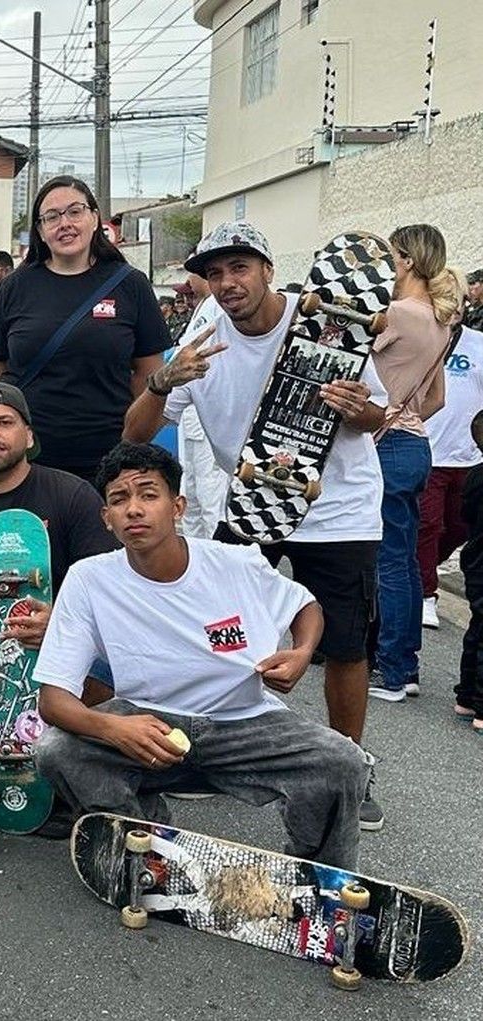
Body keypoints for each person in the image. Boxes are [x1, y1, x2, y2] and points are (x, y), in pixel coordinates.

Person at [122, 220, 389, 830]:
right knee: (219, 626)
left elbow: (376, 416)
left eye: (239, 267)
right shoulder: (205, 336)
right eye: (214, 273)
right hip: (250, 507)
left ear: (268, 269)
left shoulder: (330, 317)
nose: (226, 282)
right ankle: (214, 751)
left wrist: (360, 411)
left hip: (339, 510)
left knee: (346, 643)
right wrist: (164, 380)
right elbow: (134, 433)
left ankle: (349, 764)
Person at [32, 442, 369, 869]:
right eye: (119, 499)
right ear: (107, 518)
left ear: (177, 507)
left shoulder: (235, 563)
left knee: (342, 762)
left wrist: (301, 652)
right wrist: (114, 728)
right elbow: (54, 699)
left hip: (246, 722)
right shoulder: (89, 580)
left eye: (148, 495)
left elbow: (306, 605)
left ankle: (321, 874)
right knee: (57, 750)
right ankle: (143, 845)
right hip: (149, 723)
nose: (134, 509)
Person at [0, 382, 118, 764]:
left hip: (67, 651)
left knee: (69, 729)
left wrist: (64, 628)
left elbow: (112, 594)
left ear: (28, 436)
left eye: (4, 422)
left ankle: (74, 754)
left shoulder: (73, 496)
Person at [0, 175, 171, 481]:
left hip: (109, 458)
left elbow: (148, 374)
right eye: (52, 217)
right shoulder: (15, 287)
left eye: (75, 211)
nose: (64, 223)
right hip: (30, 458)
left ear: (95, 218)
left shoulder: (130, 284)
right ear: (41, 231)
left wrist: (130, 435)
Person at [367, 227, 462, 701]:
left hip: (384, 444)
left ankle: (390, 671)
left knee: (385, 562)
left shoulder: (397, 314)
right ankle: (405, 667)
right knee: (402, 561)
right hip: (416, 444)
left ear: (404, 261)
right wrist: (404, 413)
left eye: (389, 256)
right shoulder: (440, 321)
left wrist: (385, 412)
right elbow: (437, 398)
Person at [418, 317, 483, 630]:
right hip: (428, 450)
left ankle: (419, 571)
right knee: (427, 525)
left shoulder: (478, 343)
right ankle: (426, 593)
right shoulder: (423, 335)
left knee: (458, 527)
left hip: (466, 455)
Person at [171, 270, 226, 540]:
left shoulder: (217, 306)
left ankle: (212, 548)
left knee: (209, 490)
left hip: (207, 411)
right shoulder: (203, 306)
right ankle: (193, 549)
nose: (188, 289)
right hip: (189, 409)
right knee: (190, 489)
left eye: (190, 278)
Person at [455, 410, 483, 732]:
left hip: (475, 561)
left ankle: (465, 695)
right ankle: (481, 706)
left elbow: (465, 516)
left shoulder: (474, 477)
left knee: (477, 627)